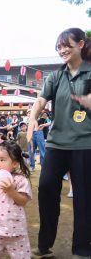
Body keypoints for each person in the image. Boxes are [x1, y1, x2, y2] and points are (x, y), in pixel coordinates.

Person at [27, 28, 91, 258]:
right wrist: (33, 118)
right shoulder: (55, 76)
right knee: (45, 189)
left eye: (67, 45)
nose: (62, 50)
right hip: (56, 144)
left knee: (84, 198)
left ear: (81, 44)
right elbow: (41, 100)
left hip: (85, 144)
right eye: (59, 47)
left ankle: (82, 249)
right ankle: (44, 245)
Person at [0, 141, 32, 259]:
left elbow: (23, 201)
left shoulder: (20, 180)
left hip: (16, 230)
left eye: (2, 160)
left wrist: (12, 191)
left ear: (14, 163)